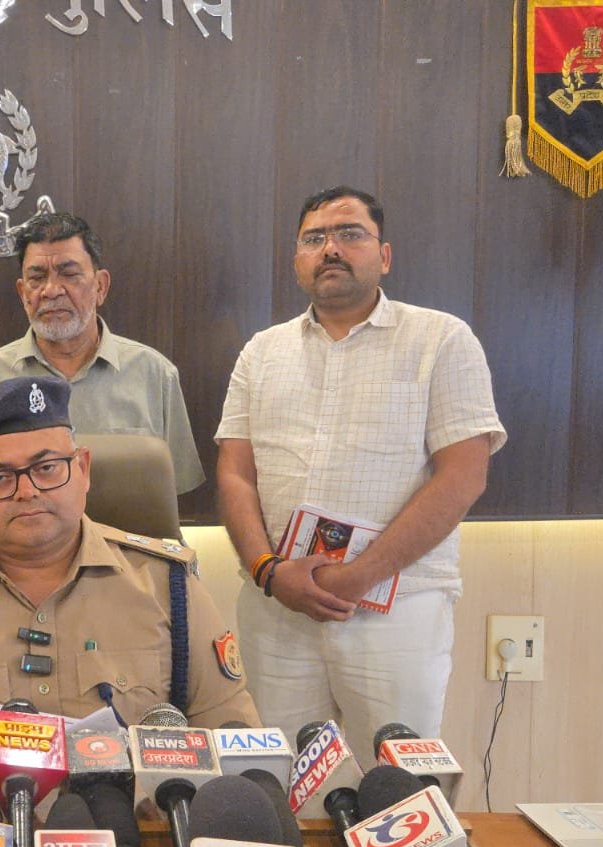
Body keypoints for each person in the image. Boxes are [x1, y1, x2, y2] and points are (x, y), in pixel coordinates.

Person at [215, 186, 505, 751]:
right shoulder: (261, 352)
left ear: (384, 256)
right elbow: (235, 473)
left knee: (396, 779)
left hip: (397, 608)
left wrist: (361, 574)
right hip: (279, 609)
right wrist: (268, 570)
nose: (330, 249)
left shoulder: (441, 340)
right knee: (278, 777)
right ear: (297, 259)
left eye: (350, 234)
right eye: (314, 239)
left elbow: (463, 476)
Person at [0, 376, 256, 728]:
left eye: (46, 469)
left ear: (83, 469)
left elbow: (230, 737)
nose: (27, 492)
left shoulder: (169, 587)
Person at [0, 212, 205, 495]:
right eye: (37, 278)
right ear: (22, 293)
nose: (51, 290)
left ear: (100, 286)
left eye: (69, 274)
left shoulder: (155, 375)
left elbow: (175, 493)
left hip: (124, 526)